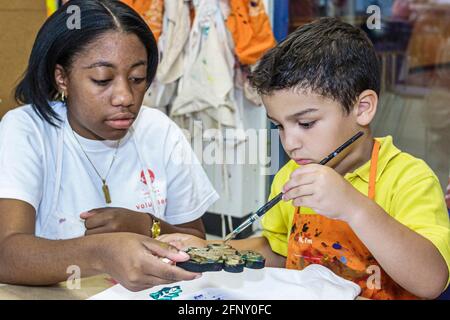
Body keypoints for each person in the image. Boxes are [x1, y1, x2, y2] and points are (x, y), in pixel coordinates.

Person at [158, 18, 450, 300]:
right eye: (279, 126)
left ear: (362, 108)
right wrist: (209, 249)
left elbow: (430, 282)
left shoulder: (409, 179)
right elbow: (278, 250)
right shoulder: (291, 177)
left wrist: (353, 207)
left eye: (306, 124)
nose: (290, 143)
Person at [0, 0, 219, 291]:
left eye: (137, 79)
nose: (125, 97)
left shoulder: (159, 131)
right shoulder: (27, 130)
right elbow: (7, 254)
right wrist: (102, 252)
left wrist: (145, 225)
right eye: (102, 80)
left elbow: (197, 241)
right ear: (62, 77)